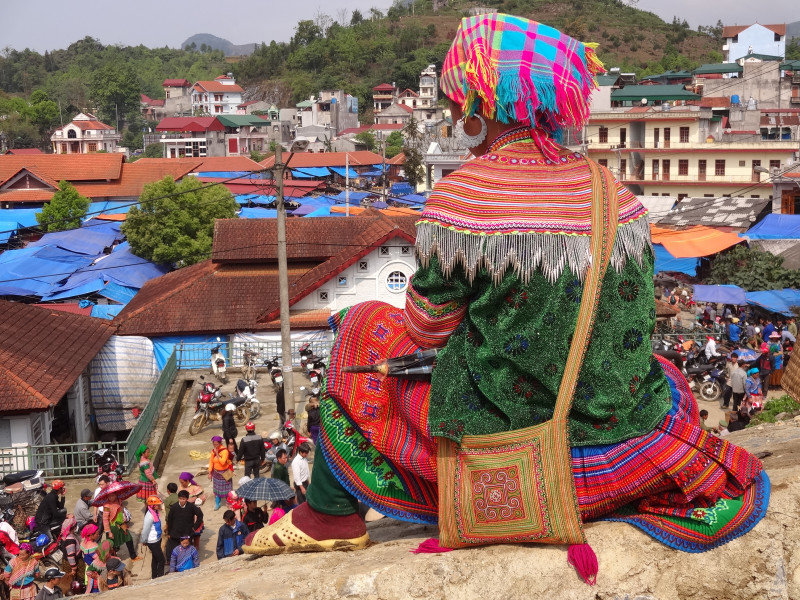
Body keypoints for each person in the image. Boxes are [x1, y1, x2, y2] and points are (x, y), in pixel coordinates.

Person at [243, 13, 768, 569]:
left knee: (361, 329)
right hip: (622, 443)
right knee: (661, 373)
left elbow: (425, 328)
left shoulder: (464, 197)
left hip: (520, 455)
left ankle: (329, 515)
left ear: (478, 102)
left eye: (454, 98)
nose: (450, 111)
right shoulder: (612, 191)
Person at [165, 490, 203, 562]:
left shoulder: (191, 507)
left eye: (184, 499)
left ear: (187, 499)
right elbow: (170, 520)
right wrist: (169, 532)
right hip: (175, 533)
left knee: (187, 550)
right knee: (174, 550)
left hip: (187, 533)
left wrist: (195, 528)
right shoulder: (174, 507)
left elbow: (200, 515)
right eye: (180, 498)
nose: (182, 500)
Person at [101, 492, 139, 561]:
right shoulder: (106, 506)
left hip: (122, 524)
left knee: (129, 539)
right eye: (109, 496)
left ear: (116, 495)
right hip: (113, 527)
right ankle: (113, 560)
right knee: (113, 544)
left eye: (113, 495)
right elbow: (105, 519)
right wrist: (109, 532)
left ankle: (133, 556)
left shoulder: (119, 500)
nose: (111, 497)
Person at [140, 495, 166, 580]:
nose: (159, 506)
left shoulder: (154, 512)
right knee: (162, 560)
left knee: (155, 559)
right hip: (152, 541)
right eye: (158, 505)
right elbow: (145, 530)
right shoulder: (149, 516)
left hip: (157, 539)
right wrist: (144, 540)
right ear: (152, 505)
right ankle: (160, 577)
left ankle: (154, 577)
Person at [57, 517, 82, 595]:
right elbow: (71, 555)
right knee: (72, 581)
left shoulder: (66, 536)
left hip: (68, 563)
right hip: (72, 564)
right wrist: (74, 568)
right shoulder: (70, 539)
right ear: (73, 527)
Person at [208, 436, 234, 510]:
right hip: (216, 473)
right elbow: (211, 462)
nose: (215, 446)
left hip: (225, 472)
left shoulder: (224, 451)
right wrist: (210, 472)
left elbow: (223, 462)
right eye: (214, 444)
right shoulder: (213, 451)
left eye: (216, 444)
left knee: (227, 489)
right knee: (217, 489)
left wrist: (217, 455)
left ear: (220, 443)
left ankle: (228, 502)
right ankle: (217, 503)